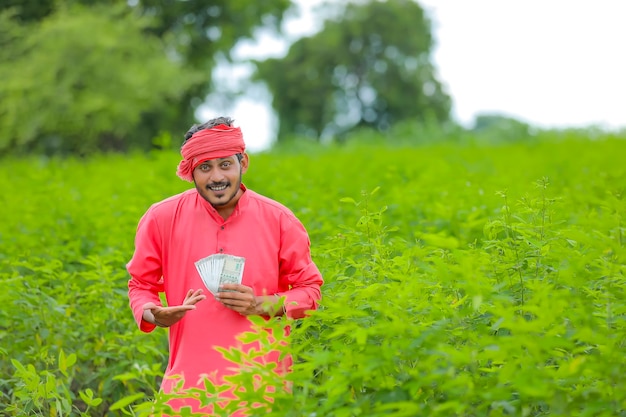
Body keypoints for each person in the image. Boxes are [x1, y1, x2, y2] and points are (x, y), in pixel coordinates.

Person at [126, 116, 323, 414]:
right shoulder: (161, 218)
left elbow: (311, 290)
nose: (216, 176)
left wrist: (265, 304)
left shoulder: (279, 220)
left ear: (243, 162)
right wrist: (153, 314)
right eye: (205, 167)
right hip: (186, 392)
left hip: (262, 390)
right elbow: (141, 284)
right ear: (191, 171)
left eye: (225, 165)